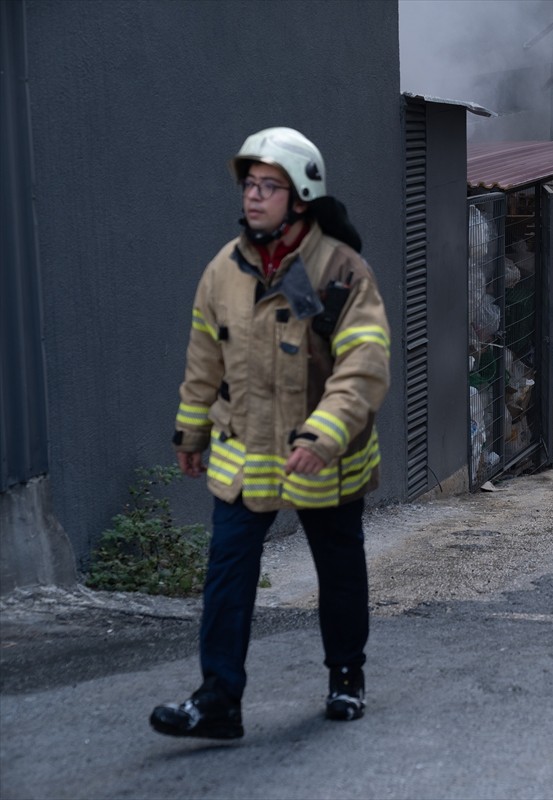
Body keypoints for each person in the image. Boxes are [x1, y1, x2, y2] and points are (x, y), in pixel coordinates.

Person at [150, 127, 391, 739]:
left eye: (269, 187)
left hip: (324, 454)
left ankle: (346, 676)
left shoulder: (341, 273)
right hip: (246, 449)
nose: (253, 197)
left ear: (302, 196)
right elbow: (205, 357)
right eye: (249, 185)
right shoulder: (223, 271)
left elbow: (364, 365)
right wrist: (190, 431)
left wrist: (322, 436)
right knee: (227, 570)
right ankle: (218, 700)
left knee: (338, 568)